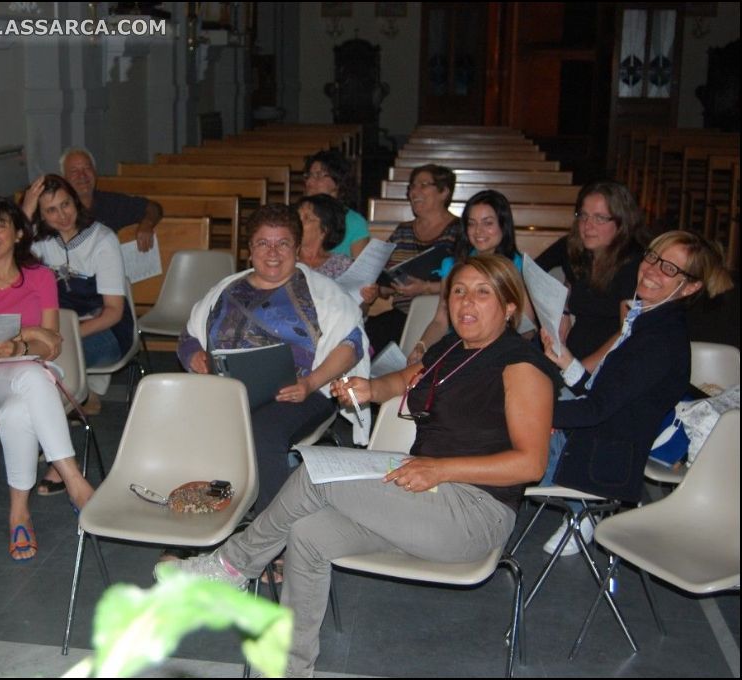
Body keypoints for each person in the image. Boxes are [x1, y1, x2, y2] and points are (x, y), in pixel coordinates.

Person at [161, 255, 560, 677]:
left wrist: (441, 470)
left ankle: (232, 565)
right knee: (307, 532)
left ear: (510, 307)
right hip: (421, 496)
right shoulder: (455, 349)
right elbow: (407, 378)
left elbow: (530, 464)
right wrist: (370, 388)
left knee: (314, 475)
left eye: (483, 293)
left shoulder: (521, 366)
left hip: (473, 512)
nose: (467, 303)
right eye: (459, 291)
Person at [537, 230, 733, 556]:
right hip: (594, 440)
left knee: (488, 430)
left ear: (691, 287)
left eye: (670, 269)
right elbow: (604, 393)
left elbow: (596, 408)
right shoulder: (645, 321)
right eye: (653, 258)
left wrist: (535, 414)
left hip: (600, 464)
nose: (653, 270)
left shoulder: (657, 341)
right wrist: (565, 361)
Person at [178, 203, 370, 512]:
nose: (273, 252)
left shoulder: (323, 293)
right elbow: (188, 336)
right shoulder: (226, 290)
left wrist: (310, 383)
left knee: (259, 430)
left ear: (296, 248)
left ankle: (272, 535)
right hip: (228, 392)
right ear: (249, 250)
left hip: (300, 394)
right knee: (187, 418)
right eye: (263, 243)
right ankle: (202, 519)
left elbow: (352, 344)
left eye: (283, 244)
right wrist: (195, 357)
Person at [0, 196, 93, 561]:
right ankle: (75, 482)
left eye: (0, 225)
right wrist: (29, 338)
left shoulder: (41, 277)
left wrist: (20, 340)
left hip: (31, 374)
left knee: (17, 411)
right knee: (31, 373)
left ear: (17, 234)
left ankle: (18, 515)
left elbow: (53, 345)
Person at [22, 174, 133, 498]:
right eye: (51, 210)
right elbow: (7, 251)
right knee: (35, 365)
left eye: (66, 204)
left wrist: (66, 336)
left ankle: (58, 457)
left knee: (54, 363)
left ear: (76, 201)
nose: (62, 215)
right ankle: (49, 433)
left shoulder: (103, 239)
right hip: (57, 331)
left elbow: (113, 310)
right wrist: (25, 210)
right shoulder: (39, 243)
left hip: (105, 330)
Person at [408, 190, 528, 364]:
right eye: (472, 224)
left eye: (488, 223)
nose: (479, 231)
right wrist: (421, 347)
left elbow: (526, 327)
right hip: (456, 346)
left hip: (501, 351)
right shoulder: (452, 265)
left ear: (503, 225)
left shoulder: (518, 267)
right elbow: (441, 320)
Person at [535, 180, 648, 363]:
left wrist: (579, 371)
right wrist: (562, 310)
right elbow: (533, 272)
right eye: (584, 216)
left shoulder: (633, 264)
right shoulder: (574, 246)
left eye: (600, 218)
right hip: (571, 352)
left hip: (608, 362)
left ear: (621, 222)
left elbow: (626, 333)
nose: (588, 226)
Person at [365, 164, 463, 355]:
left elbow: (464, 281)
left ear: (444, 192)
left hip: (442, 314)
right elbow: (385, 279)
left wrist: (425, 287)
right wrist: (378, 288)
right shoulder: (403, 231)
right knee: (364, 337)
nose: (414, 191)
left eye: (423, 185)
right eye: (412, 186)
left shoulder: (460, 231)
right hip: (402, 314)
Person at [60, 147, 163, 252]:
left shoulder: (110, 203)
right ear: (64, 179)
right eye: (74, 171)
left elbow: (153, 207)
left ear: (95, 173)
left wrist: (147, 224)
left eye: (87, 168)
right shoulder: (57, 211)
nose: (82, 175)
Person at [302, 149, 369, 258]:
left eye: (318, 175)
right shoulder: (300, 216)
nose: (309, 182)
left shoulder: (355, 222)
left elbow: (360, 271)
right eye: (308, 175)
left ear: (338, 181)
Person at [296, 193, 353, 279]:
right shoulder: (284, 259)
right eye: (296, 217)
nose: (297, 222)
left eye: (306, 218)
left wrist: (371, 292)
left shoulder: (342, 264)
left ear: (324, 230)